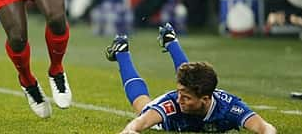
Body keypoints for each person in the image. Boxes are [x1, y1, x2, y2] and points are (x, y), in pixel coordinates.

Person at [107, 23, 277, 133]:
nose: (179, 98)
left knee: (188, 76)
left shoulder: (229, 106)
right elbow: (136, 125)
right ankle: (122, 53)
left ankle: (170, 40)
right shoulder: (172, 104)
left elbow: (265, 128)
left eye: (186, 97)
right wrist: (131, 131)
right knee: (141, 106)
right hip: (171, 123)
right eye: (180, 92)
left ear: (205, 98)